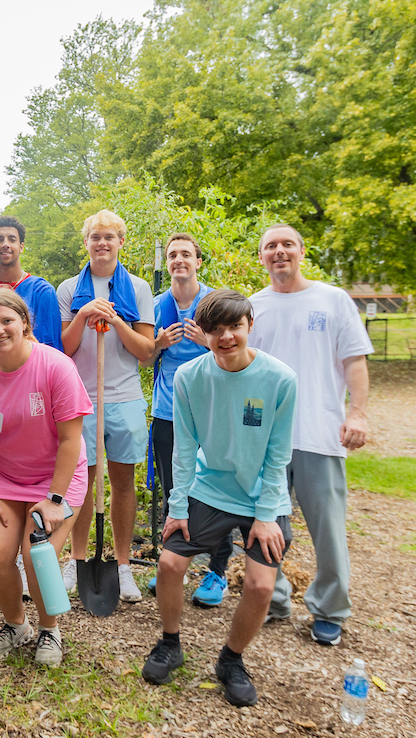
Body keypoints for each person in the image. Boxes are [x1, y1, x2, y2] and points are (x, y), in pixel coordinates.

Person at [140, 290, 297, 709]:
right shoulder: (189, 376)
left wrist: (265, 517)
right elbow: (185, 448)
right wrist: (177, 507)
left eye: (235, 327)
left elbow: (279, 454)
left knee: (261, 585)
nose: (226, 337)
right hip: (209, 487)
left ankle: (231, 660)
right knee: (170, 563)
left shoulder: (280, 379)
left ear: (249, 326)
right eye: (216, 329)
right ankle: (170, 643)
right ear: (204, 333)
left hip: (264, 494)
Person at [250, 224, 372, 647]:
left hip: (318, 433)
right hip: (266, 437)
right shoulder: (254, 306)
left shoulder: (332, 299)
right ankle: (275, 597)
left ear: (301, 251)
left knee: (328, 528)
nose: (279, 252)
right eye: (271, 247)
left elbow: (354, 361)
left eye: (287, 245)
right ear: (261, 257)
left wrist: (356, 413)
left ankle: (330, 608)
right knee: (266, 523)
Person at [0, 289, 90, 668]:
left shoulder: (55, 366)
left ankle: (50, 629)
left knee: (38, 557)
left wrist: (54, 500)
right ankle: (16, 625)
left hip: (57, 479)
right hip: (6, 478)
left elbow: (70, 440)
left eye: (7, 321)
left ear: (25, 324)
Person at [56, 210, 154, 602]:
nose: (102, 243)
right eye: (95, 237)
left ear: (120, 242)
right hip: (81, 398)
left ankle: (124, 565)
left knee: (122, 482)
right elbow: (64, 347)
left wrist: (116, 321)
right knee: (81, 484)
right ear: (86, 243)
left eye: (109, 237)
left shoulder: (139, 288)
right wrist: (83, 313)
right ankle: (77, 562)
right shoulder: (68, 289)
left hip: (125, 397)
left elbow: (146, 351)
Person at [142, 234, 226, 606]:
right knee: (176, 491)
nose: (179, 260)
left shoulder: (214, 302)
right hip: (168, 411)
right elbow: (143, 361)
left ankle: (217, 573)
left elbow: (235, 351)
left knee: (218, 491)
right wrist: (157, 345)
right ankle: (173, 569)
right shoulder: (157, 305)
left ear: (198, 261)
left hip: (210, 411)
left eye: (186, 255)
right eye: (173, 255)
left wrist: (207, 342)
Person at [0, 216, 63, 362]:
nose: (5, 244)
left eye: (12, 239)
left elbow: (52, 350)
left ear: (21, 247)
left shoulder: (41, 291)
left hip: (33, 376)